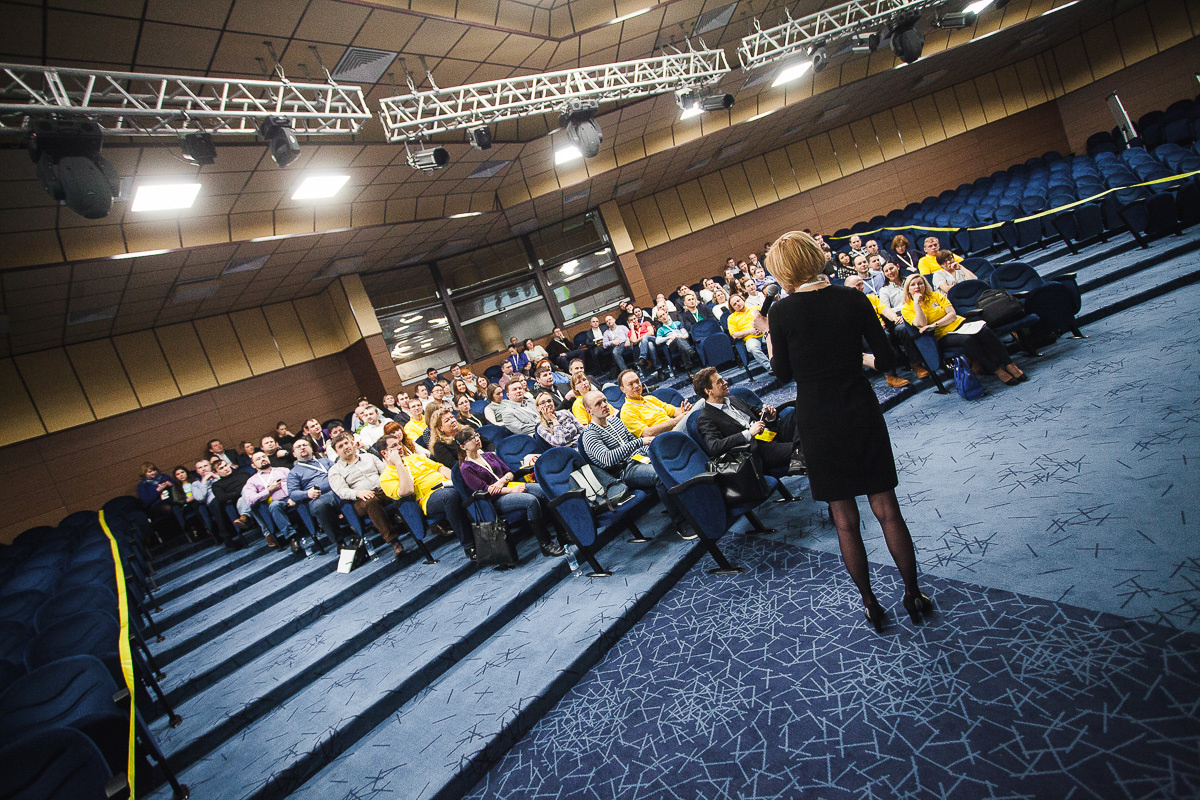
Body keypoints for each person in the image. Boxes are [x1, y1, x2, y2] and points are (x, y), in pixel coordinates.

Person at [766, 230, 931, 633]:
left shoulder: (781, 313)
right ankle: (912, 593)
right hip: (859, 409)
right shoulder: (853, 297)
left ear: (785, 271)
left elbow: (782, 373)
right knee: (887, 509)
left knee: (844, 520)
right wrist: (852, 355)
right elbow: (889, 356)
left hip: (818, 420)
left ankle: (870, 603)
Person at [578, 390, 694, 540]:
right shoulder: (589, 435)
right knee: (659, 474)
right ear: (589, 411)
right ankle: (680, 522)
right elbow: (607, 459)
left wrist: (651, 451)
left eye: (605, 401)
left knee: (669, 457)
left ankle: (690, 504)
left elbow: (635, 446)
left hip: (639, 459)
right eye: (598, 404)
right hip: (622, 472)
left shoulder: (615, 421)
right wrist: (639, 442)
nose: (604, 405)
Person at [455, 427, 565, 557]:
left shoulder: (489, 455)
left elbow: (509, 472)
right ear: (463, 447)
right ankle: (546, 544)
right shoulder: (466, 468)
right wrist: (511, 490)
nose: (477, 439)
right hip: (496, 499)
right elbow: (486, 490)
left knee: (543, 490)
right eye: (471, 438)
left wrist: (502, 481)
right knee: (531, 501)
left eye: (476, 435)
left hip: (510, 485)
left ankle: (562, 533)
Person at [900, 273, 1027, 385]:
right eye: (913, 285)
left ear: (925, 285)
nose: (917, 287)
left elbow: (952, 315)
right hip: (942, 335)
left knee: (985, 330)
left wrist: (935, 324)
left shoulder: (936, 296)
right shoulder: (907, 308)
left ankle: (1010, 365)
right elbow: (922, 323)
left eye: (920, 283)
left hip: (958, 324)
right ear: (908, 289)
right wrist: (917, 304)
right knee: (968, 341)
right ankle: (997, 370)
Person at [379, 432, 472, 559]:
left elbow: (440, 468)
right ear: (385, 453)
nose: (400, 447)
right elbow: (407, 490)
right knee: (449, 496)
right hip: (428, 498)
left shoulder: (414, 458)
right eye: (394, 446)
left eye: (399, 444)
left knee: (467, 485)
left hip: (447, 484)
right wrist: (399, 464)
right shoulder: (385, 478)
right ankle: (469, 545)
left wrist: (458, 481)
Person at [693, 367, 802, 473]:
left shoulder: (733, 399)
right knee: (805, 447)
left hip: (770, 433)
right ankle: (799, 452)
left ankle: (798, 452)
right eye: (719, 382)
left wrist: (770, 416)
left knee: (801, 410)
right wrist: (748, 433)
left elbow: (758, 412)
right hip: (758, 449)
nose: (725, 382)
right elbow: (715, 446)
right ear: (708, 391)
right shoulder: (706, 417)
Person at [328, 432, 405, 559]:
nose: (345, 447)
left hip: (382, 489)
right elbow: (341, 491)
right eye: (341, 446)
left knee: (401, 488)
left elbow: (385, 472)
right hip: (360, 500)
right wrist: (358, 493)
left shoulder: (369, 457)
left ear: (352, 443)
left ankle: (422, 522)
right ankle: (394, 542)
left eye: (346, 443)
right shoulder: (335, 471)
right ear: (336, 452)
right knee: (371, 501)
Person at [845, 275, 911, 388]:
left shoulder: (871, 298)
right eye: (858, 285)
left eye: (862, 284)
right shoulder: (845, 305)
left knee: (903, 329)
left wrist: (895, 318)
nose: (861, 287)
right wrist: (874, 327)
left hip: (882, 328)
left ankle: (916, 364)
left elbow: (884, 309)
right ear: (848, 288)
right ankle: (891, 376)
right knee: (882, 336)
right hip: (864, 334)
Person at [287, 438, 346, 549]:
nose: (302, 447)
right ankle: (339, 542)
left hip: (338, 489)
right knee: (320, 506)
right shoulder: (294, 473)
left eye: (305, 445)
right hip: (319, 498)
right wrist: (306, 494)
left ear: (311, 449)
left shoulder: (325, 461)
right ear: (294, 454)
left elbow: (340, 470)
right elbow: (292, 493)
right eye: (298, 447)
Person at [242, 451, 302, 553]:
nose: (262, 459)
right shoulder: (252, 481)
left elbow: (296, 483)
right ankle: (292, 537)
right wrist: (269, 491)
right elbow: (250, 500)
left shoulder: (283, 470)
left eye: (264, 456)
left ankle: (318, 525)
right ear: (253, 465)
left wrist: (293, 496)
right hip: (278, 503)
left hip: (293, 496)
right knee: (274, 506)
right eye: (258, 459)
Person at [617, 370, 690, 437]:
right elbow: (647, 433)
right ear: (622, 389)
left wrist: (684, 410)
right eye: (630, 384)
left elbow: (673, 411)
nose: (636, 386)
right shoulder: (626, 411)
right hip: (666, 437)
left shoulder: (650, 398)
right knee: (701, 403)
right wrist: (675, 421)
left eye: (637, 381)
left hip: (678, 428)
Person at [725, 293, 773, 374]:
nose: (738, 304)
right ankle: (771, 367)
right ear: (732, 308)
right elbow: (734, 334)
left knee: (774, 340)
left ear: (742, 299)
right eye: (734, 304)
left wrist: (762, 328)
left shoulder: (755, 308)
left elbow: (767, 319)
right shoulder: (731, 318)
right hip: (750, 338)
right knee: (753, 348)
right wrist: (750, 331)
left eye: (738, 301)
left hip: (764, 333)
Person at [136, 463, 185, 538]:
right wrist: (157, 491)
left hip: (171, 499)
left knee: (175, 504)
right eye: (149, 472)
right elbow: (146, 500)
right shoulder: (142, 485)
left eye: (154, 470)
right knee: (171, 507)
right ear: (144, 474)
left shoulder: (164, 477)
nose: (153, 473)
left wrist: (170, 485)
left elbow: (176, 485)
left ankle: (185, 528)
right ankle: (184, 529)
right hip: (157, 505)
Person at [654, 307, 698, 374]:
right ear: (659, 319)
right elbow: (657, 341)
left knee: (681, 347)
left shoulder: (677, 323)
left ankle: (689, 370)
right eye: (661, 316)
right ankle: (690, 351)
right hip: (672, 346)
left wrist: (682, 336)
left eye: (664, 314)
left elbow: (686, 334)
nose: (663, 317)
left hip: (683, 342)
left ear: (667, 313)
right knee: (677, 340)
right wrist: (668, 337)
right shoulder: (661, 329)